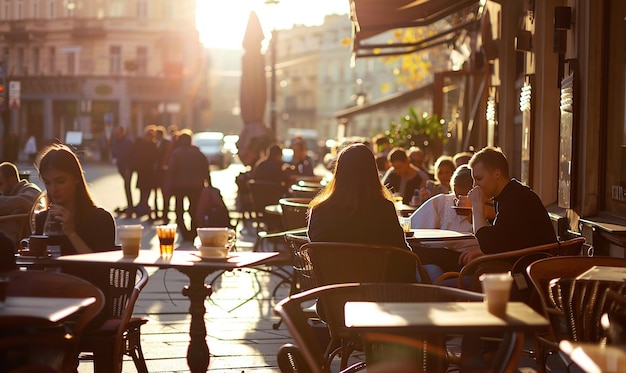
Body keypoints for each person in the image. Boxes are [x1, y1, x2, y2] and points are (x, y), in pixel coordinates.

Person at [463, 146, 557, 264]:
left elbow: (488, 244)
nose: (474, 186)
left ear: (497, 174)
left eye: (479, 179)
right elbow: (503, 242)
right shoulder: (509, 194)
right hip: (521, 266)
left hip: (527, 274)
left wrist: (477, 206)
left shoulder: (517, 199)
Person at [308, 143, 410, 250]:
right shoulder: (384, 209)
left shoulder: (319, 210)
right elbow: (402, 251)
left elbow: (314, 249)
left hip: (329, 267)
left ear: (338, 172)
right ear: (372, 172)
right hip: (373, 266)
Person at [33, 144, 116, 255]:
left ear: (76, 178)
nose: (53, 189)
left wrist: (71, 233)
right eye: (47, 183)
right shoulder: (43, 219)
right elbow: (35, 269)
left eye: (60, 181)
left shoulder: (100, 219)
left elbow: (101, 268)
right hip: (49, 273)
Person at [167, 130, 210, 241]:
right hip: (196, 186)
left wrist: (169, 186)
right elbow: (206, 170)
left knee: (179, 210)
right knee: (194, 209)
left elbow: (171, 170)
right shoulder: (198, 153)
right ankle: (193, 232)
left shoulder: (176, 153)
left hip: (179, 186)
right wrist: (209, 184)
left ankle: (185, 234)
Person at [0, 162, 42, 245]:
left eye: (0, 184)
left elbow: (35, 202)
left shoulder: (29, 189)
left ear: (12, 181)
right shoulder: (8, 195)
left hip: (15, 243)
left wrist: (15, 202)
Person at [131, 125, 158, 218]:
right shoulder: (144, 145)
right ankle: (142, 207)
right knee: (144, 191)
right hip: (144, 172)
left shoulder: (152, 146)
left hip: (148, 173)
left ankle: (143, 207)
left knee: (146, 191)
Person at [110, 125, 135, 217]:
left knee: (127, 187)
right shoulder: (116, 141)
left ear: (123, 132)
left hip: (127, 167)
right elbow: (113, 151)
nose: (117, 134)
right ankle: (130, 208)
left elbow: (130, 155)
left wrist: (128, 167)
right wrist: (114, 158)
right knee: (126, 187)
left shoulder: (128, 141)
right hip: (121, 166)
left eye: (119, 132)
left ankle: (130, 210)